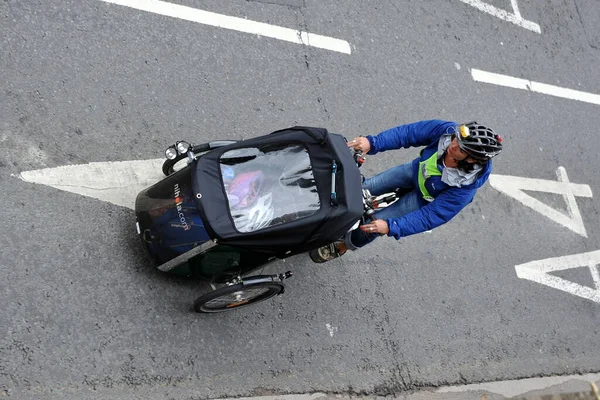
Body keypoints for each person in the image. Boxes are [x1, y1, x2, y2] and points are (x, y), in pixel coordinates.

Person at [309, 119, 503, 263]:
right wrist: (373, 142)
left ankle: (343, 246)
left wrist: (391, 226)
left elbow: (431, 216)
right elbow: (409, 133)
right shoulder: (446, 131)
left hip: (422, 200)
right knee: (361, 188)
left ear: (470, 160)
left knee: (372, 226)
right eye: (455, 139)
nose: (451, 145)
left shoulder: (464, 189)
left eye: (460, 149)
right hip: (414, 171)